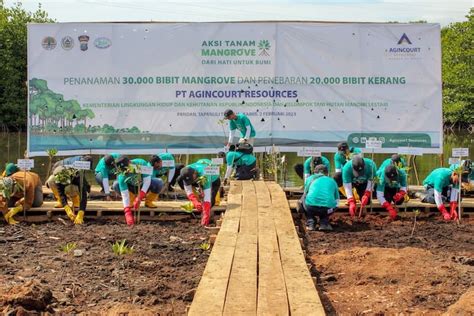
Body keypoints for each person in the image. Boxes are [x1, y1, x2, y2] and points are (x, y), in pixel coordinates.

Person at [113, 157, 164, 225]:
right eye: (124, 170)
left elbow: (147, 182)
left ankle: (148, 202)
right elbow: (124, 194)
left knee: (159, 183)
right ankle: (131, 202)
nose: (126, 172)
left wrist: (140, 196)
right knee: (116, 184)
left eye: (127, 169)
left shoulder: (141, 163)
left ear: (130, 163)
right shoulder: (122, 174)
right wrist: (127, 212)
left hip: (143, 185)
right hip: (131, 187)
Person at [177, 159, 221, 226]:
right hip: (199, 174)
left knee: (211, 201)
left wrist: (206, 214)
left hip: (214, 179)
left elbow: (207, 198)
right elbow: (188, 190)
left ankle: (208, 215)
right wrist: (195, 202)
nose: (190, 182)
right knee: (199, 198)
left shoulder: (205, 174)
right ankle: (202, 210)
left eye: (192, 180)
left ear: (195, 173)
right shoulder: (185, 172)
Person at [299, 164, 339, 231]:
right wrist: (333, 208)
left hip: (310, 207)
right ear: (327, 173)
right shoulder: (332, 181)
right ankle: (324, 222)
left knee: (303, 198)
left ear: (315, 172)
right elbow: (337, 199)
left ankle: (311, 222)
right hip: (327, 209)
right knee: (330, 205)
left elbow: (305, 193)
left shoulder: (309, 178)